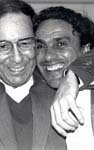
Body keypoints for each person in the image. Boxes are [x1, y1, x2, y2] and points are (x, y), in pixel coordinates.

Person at [0, 1, 94, 150]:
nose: (17, 58)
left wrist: (72, 77)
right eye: (2, 46)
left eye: (25, 43)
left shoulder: (56, 81)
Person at [34, 6, 94, 149]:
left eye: (60, 44)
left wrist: (73, 75)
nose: (48, 56)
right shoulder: (33, 88)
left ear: (85, 50)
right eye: (40, 46)